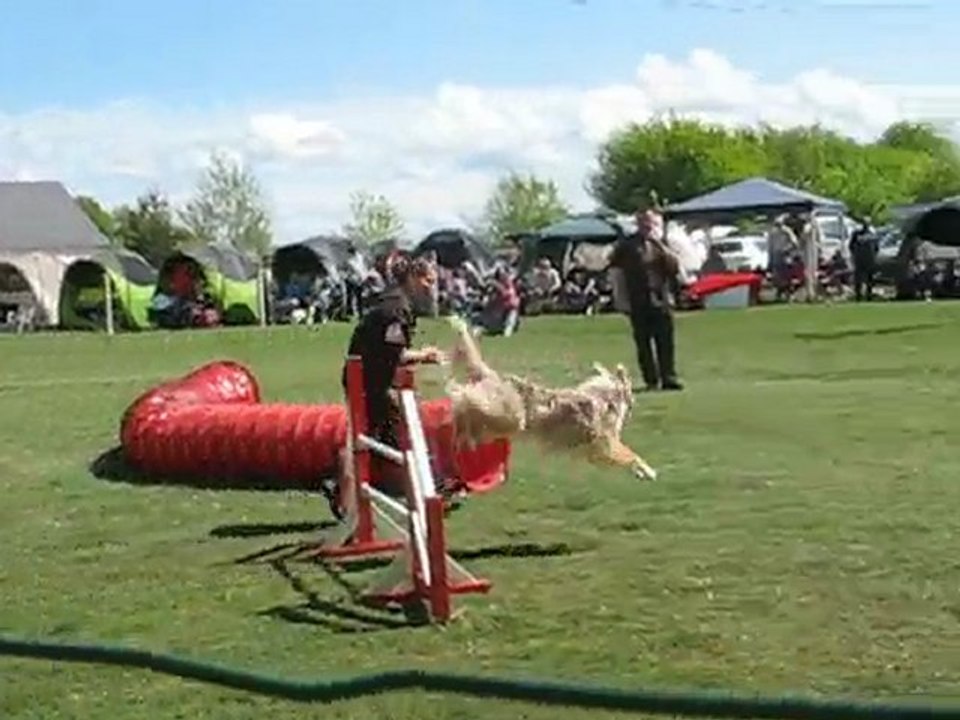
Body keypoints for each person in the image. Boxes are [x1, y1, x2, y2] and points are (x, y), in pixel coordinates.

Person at [608, 208, 684, 392]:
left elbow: (675, 267)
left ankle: (669, 377)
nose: (647, 225)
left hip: (661, 299)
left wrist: (662, 246)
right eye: (643, 222)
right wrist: (621, 299)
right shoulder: (626, 246)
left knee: (665, 341)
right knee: (644, 343)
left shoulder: (662, 243)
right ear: (638, 223)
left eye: (650, 222)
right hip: (638, 300)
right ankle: (651, 379)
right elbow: (617, 273)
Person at [849, 218, 878, 302]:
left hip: (870, 260)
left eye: (867, 223)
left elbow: (876, 247)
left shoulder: (872, 234)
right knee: (858, 279)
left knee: (870, 278)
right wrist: (855, 255)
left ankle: (869, 295)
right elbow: (851, 246)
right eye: (864, 223)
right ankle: (858, 296)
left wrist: (873, 256)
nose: (865, 225)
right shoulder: (856, 234)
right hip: (859, 260)